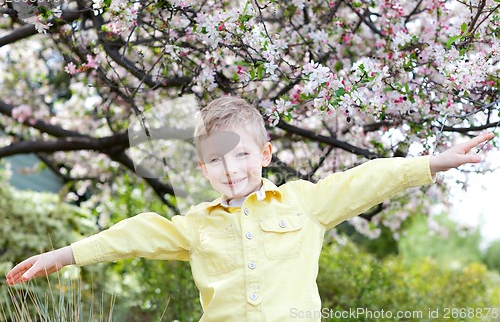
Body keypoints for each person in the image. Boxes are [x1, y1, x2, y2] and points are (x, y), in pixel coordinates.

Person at [5, 96, 495, 321]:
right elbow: (133, 235)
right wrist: (64, 255)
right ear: (203, 169)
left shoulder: (305, 203)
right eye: (216, 159)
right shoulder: (194, 226)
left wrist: (435, 162)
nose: (231, 168)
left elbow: (367, 180)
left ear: (264, 155)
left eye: (241, 154)